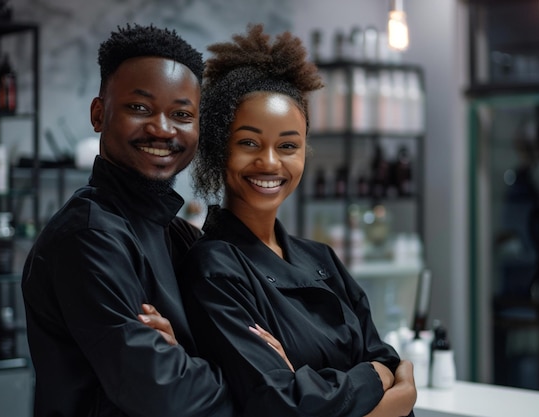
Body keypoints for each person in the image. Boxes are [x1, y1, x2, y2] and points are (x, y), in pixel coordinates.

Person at [143, 24, 416, 417]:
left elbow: (387, 361)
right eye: (249, 143)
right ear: (221, 150)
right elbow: (282, 405)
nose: (270, 162)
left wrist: (320, 389)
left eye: (288, 145)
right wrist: (376, 379)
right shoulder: (214, 270)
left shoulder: (322, 260)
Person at [21, 23, 238, 417]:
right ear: (99, 113)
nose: (161, 127)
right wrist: (253, 386)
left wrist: (187, 357)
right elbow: (163, 394)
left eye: (181, 114)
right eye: (139, 108)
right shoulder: (88, 238)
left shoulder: (176, 233)